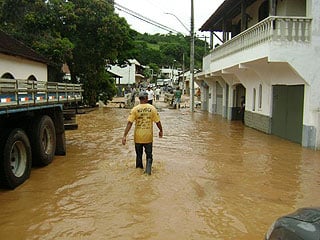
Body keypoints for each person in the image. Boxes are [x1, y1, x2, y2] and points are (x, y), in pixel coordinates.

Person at [122, 91, 163, 175]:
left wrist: (124, 136)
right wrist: (161, 130)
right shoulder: (152, 109)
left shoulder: (135, 109)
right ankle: (148, 173)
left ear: (139, 99)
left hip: (138, 137)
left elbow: (129, 123)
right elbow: (158, 122)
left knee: (139, 156)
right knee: (149, 156)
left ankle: (138, 171)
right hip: (148, 137)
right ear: (147, 98)